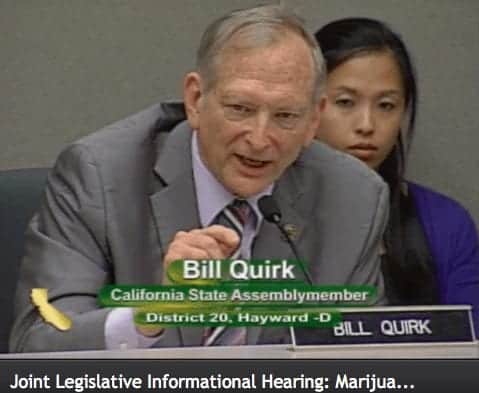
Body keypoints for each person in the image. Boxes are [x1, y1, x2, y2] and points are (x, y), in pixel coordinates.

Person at [9, 5, 389, 353]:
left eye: (286, 116)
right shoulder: (100, 177)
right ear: (195, 99)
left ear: (314, 120)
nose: (260, 139)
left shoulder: (354, 198)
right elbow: (40, 344)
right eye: (240, 109)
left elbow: (365, 357)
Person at [314, 18, 479, 332]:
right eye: (345, 102)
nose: (366, 124)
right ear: (307, 105)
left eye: (386, 105)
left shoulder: (444, 223)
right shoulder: (259, 216)